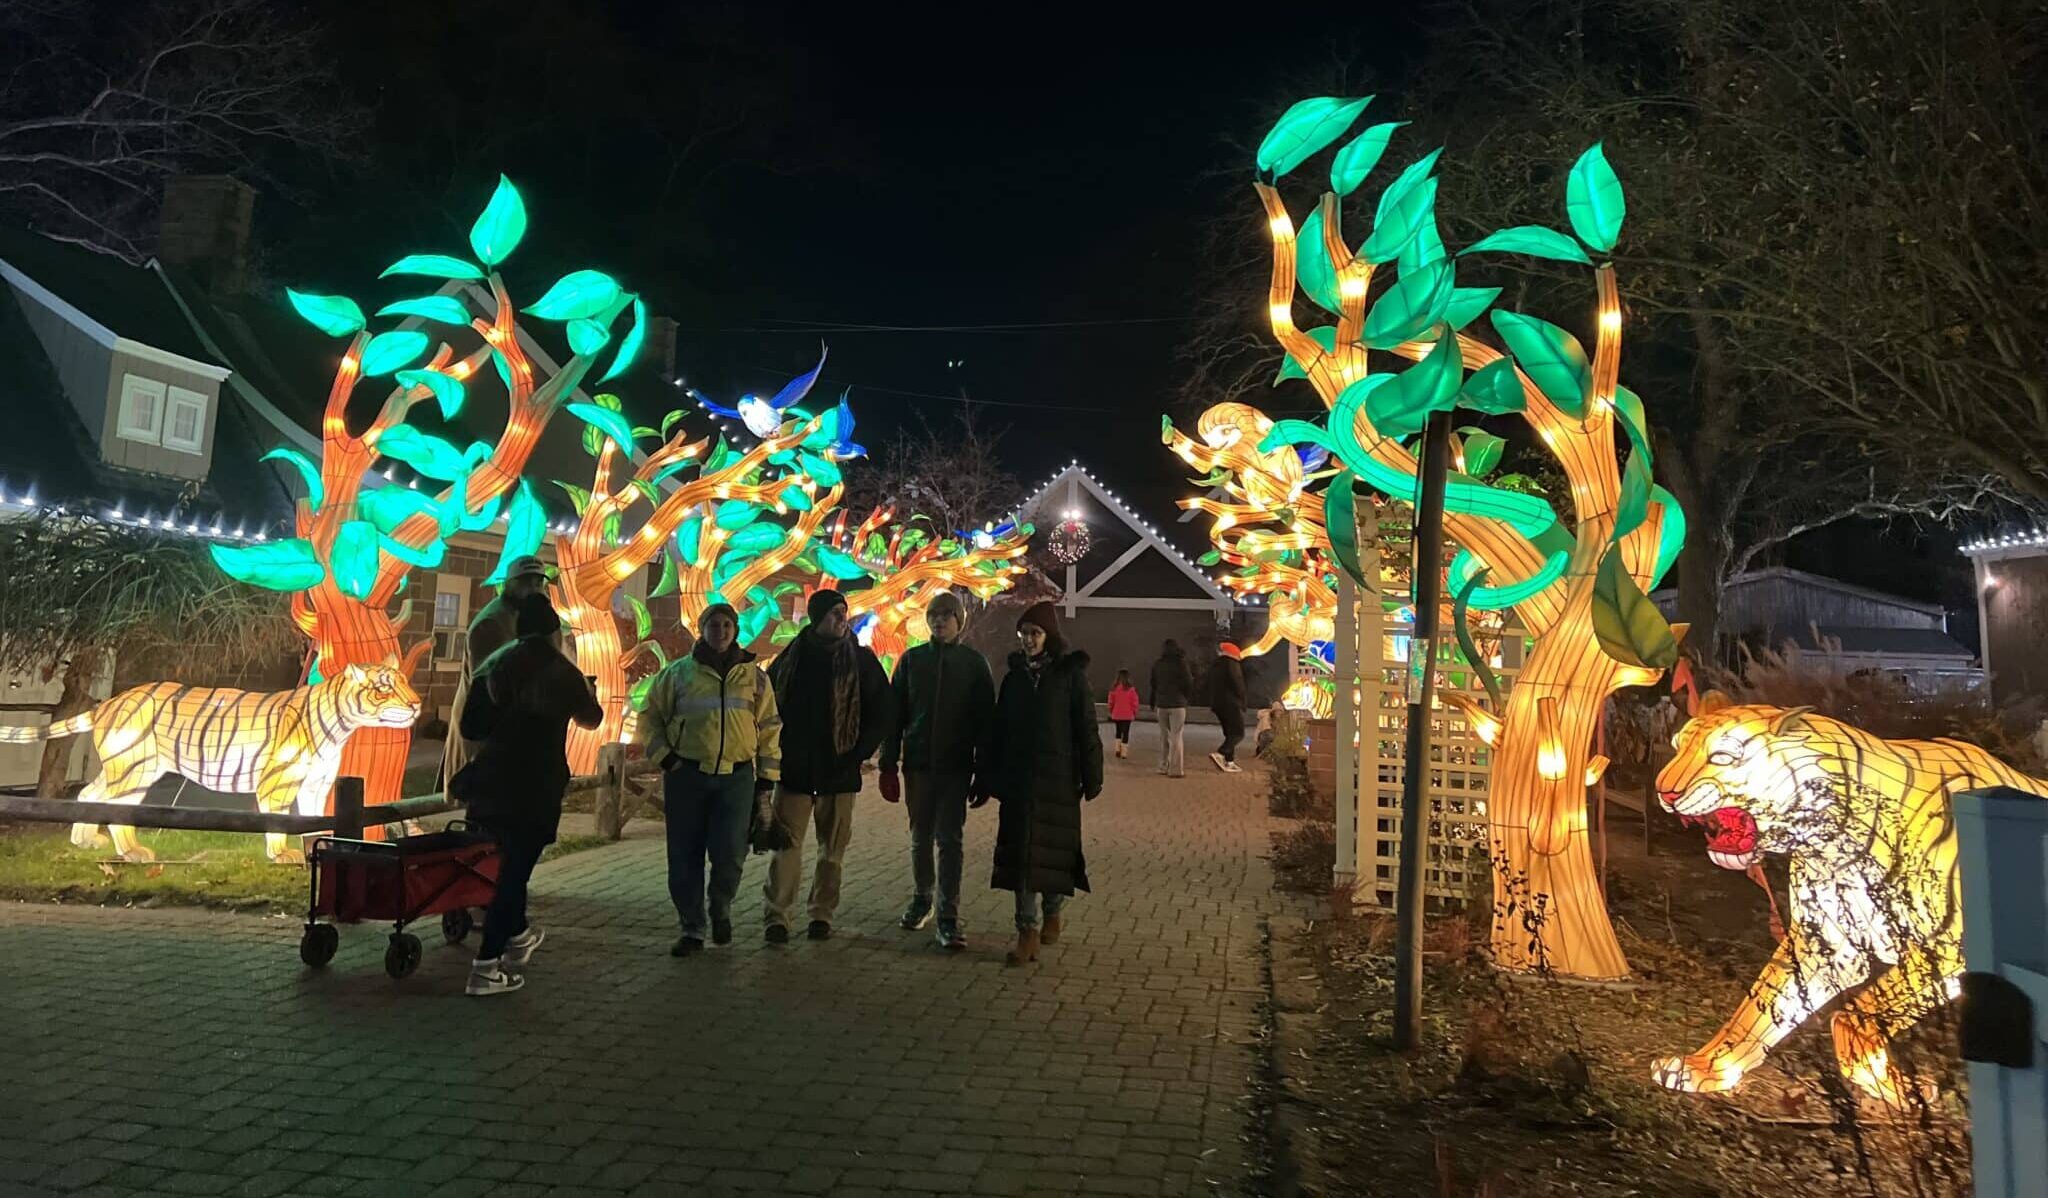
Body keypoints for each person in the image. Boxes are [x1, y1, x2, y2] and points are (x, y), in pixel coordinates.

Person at [450, 593, 602, 996]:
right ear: (553, 631)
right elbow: (592, 719)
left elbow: (471, 728)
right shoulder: (562, 671)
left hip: (491, 781)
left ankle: (517, 936)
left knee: (506, 867)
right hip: (536, 783)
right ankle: (486, 967)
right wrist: (586, 692)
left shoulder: (493, 666)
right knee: (513, 874)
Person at [639, 603, 782, 958]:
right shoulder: (677, 675)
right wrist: (666, 758)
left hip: (736, 779)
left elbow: (769, 728)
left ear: (735, 630)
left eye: (726, 625)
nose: (720, 631)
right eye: (713, 625)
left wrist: (767, 779)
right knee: (684, 856)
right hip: (687, 776)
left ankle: (721, 908)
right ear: (702, 630)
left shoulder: (756, 678)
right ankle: (691, 927)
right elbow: (650, 718)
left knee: (730, 853)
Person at [761, 588, 890, 943]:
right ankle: (777, 917)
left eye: (843, 612)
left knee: (832, 850)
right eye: (834, 614)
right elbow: (768, 707)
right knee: (786, 847)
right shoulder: (791, 658)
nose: (841, 619)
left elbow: (881, 712)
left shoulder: (861, 661)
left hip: (840, 771)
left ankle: (821, 913)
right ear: (817, 619)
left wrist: (858, 753)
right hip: (795, 771)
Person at [985, 602, 1102, 966]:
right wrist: (990, 774)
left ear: (1049, 636)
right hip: (1020, 780)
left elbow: (1085, 726)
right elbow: (999, 730)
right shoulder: (1014, 677)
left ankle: (1053, 909)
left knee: (1053, 852)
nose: (1028, 640)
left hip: (1058, 780)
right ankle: (1026, 930)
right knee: (1021, 856)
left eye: (1034, 633)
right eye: (1024, 634)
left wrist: (1091, 774)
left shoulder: (1069, 676)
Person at [877, 590, 995, 951]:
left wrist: (984, 771)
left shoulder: (974, 664)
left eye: (946, 615)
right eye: (934, 616)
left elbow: (985, 722)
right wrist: (887, 763)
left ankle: (948, 913)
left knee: (950, 840)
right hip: (918, 766)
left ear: (959, 621)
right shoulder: (912, 661)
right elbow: (894, 716)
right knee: (919, 837)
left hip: (956, 767)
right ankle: (922, 897)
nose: (939, 621)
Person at [442, 555, 553, 793]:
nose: (533, 589)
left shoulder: (530, 619)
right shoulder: (492, 623)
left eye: (537, 582)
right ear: (509, 584)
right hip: (486, 726)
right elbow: (491, 687)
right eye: (525, 582)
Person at [1148, 639, 1193, 777]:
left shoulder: (1158, 664)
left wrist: (1153, 701)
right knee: (1176, 736)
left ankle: (1163, 766)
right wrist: (1186, 697)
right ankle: (1176, 770)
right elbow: (1188, 682)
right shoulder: (1181, 664)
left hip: (1162, 704)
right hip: (1178, 704)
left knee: (1164, 737)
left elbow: (1153, 684)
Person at [1208, 642, 1247, 774]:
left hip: (1218, 704)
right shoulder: (1232, 664)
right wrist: (1243, 701)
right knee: (1238, 733)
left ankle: (1229, 761)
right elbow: (1238, 684)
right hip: (1231, 703)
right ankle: (1221, 753)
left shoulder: (1216, 665)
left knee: (1229, 733)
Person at [1106, 669, 1140, 759]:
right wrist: (1134, 712)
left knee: (1118, 731)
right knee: (1126, 733)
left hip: (1117, 714)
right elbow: (1135, 702)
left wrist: (1111, 710)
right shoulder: (1131, 689)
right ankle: (1124, 753)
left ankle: (1117, 749)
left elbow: (1110, 702)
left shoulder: (1114, 689)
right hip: (1128, 715)